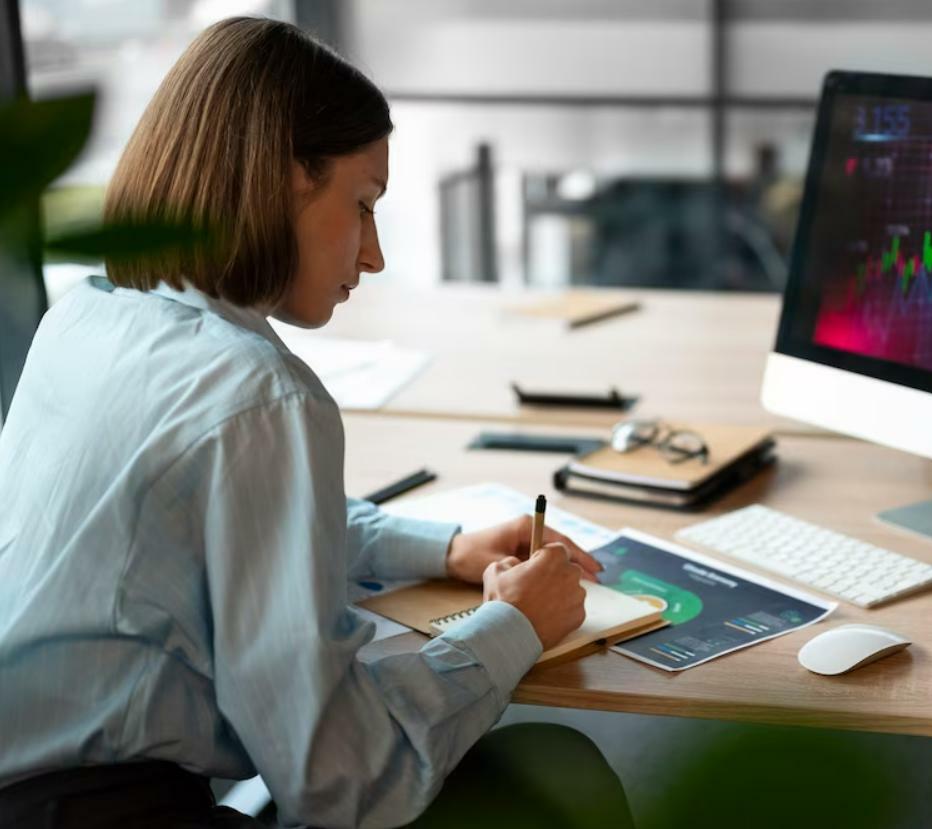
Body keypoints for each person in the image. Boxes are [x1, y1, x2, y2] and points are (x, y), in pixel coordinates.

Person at [0, 17, 633, 829]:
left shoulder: (88, 315)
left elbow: (226, 527)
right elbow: (343, 783)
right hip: (105, 814)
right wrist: (512, 627)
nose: (372, 256)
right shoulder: (259, 395)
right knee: (556, 773)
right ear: (288, 177)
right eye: (363, 205)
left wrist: (442, 547)